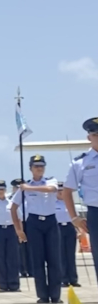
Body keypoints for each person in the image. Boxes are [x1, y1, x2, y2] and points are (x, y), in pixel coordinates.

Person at [11, 154, 62, 304]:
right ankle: (43, 295)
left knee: (54, 260)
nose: (39, 168)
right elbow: (13, 208)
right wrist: (18, 229)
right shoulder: (24, 187)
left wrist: (29, 188)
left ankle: (55, 294)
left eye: (41, 166)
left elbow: (51, 189)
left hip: (50, 221)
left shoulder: (50, 180)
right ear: (30, 168)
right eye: (36, 166)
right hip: (34, 223)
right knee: (37, 261)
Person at [62, 117, 98, 281]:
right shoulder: (80, 163)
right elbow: (67, 191)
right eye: (96, 134)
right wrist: (74, 218)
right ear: (89, 137)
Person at [56, 191, 80, 288]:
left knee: (70, 254)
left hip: (70, 227)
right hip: (58, 227)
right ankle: (64, 278)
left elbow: (76, 217)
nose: (61, 193)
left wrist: (79, 231)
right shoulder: (52, 203)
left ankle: (73, 279)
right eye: (59, 191)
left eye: (62, 191)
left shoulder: (69, 203)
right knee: (61, 254)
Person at [11, 179, 33, 278]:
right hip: (18, 223)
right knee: (19, 248)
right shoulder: (12, 200)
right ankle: (22, 269)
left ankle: (31, 269)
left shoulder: (29, 197)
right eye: (16, 187)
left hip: (29, 223)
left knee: (31, 247)